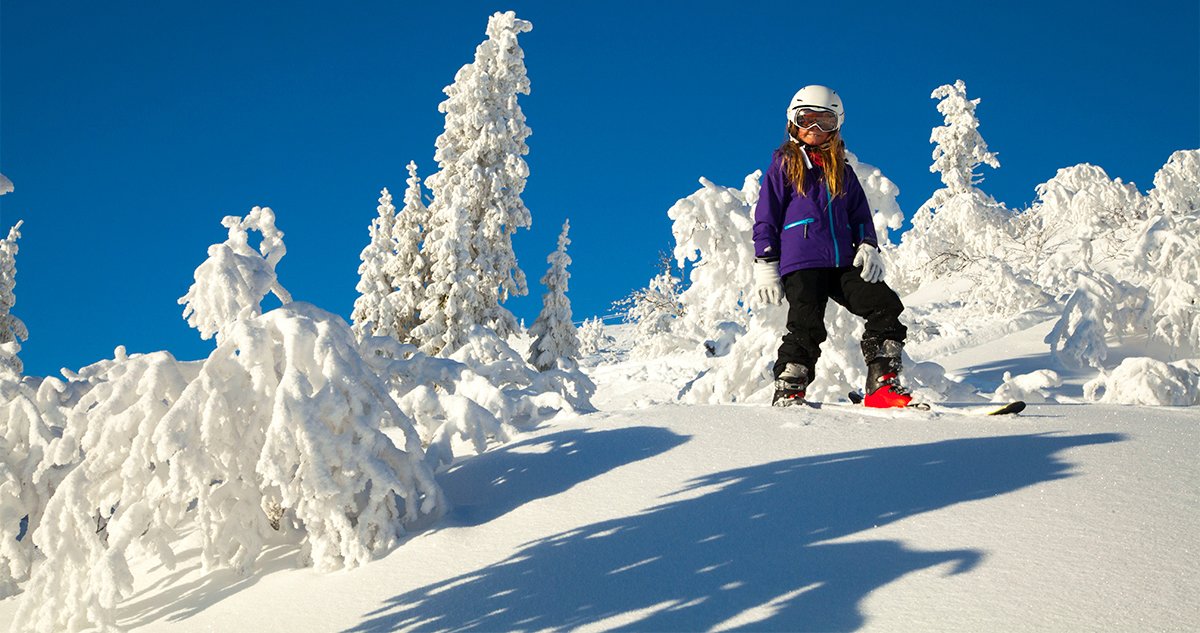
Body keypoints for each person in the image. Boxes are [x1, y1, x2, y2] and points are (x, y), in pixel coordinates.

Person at [752, 85, 912, 408]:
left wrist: (868, 245)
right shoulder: (784, 166)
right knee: (806, 325)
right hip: (802, 264)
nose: (814, 129)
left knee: (884, 304)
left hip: (842, 263)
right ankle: (790, 386)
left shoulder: (843, 173)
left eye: (823, 122)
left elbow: (861, 215)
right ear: (792, 124)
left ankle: (882, 381)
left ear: (836, 126)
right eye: (806, 120)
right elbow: (766, 217)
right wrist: (766, 263)